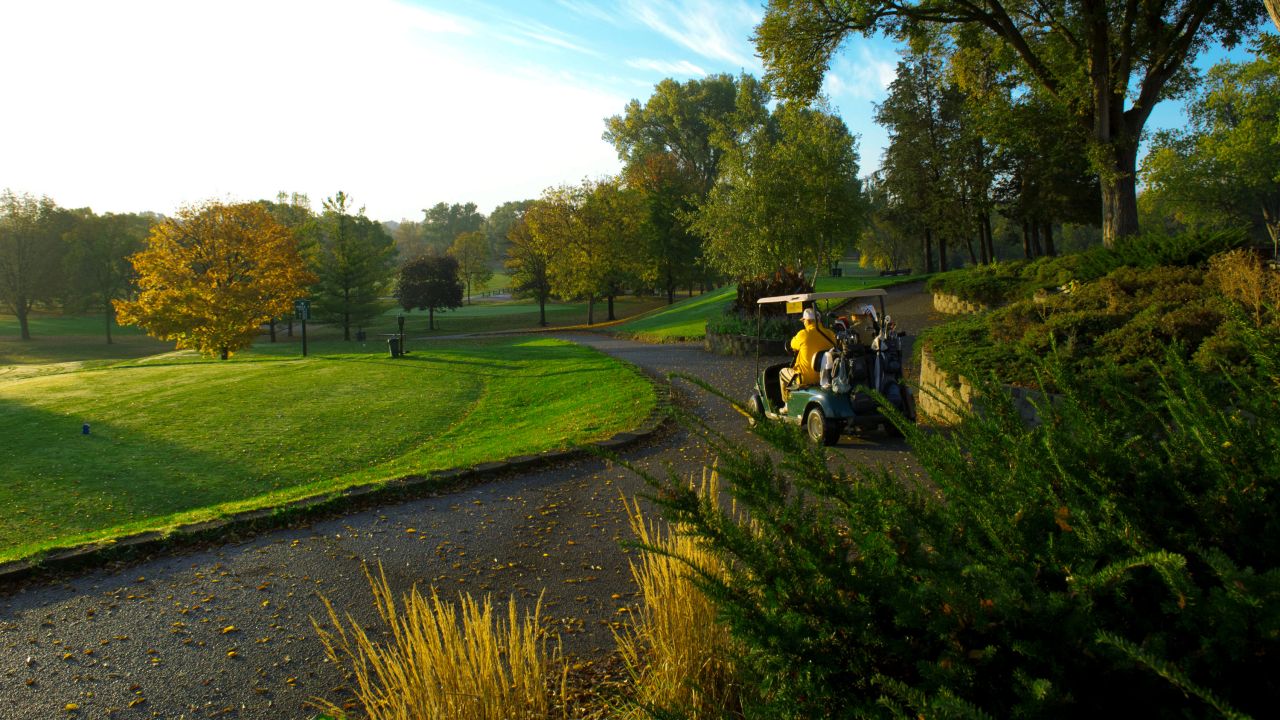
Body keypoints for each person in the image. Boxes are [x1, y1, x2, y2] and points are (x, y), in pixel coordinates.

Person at [779, 307, 835, 407]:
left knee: (782, 373)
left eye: (804, 321)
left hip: (805, 378)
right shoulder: (830, 334)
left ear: (807, 321)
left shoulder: (803, 335)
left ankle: (786, 404)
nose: (803, 323)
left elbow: (792, 344)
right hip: (825, 377)